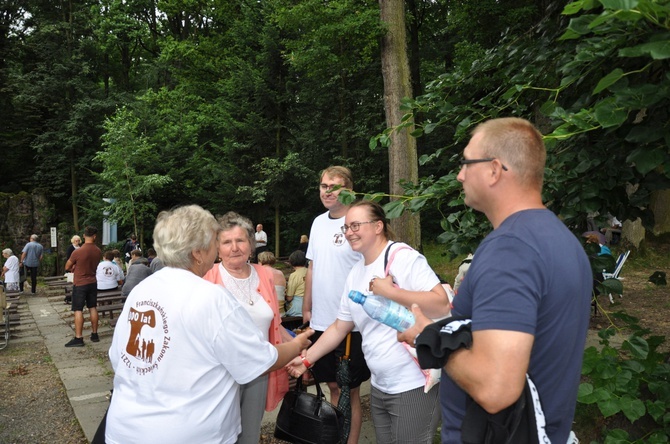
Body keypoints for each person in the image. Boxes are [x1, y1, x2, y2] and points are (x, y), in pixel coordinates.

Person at [398, 117, 592, 443]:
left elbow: (495, 389)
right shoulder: (562, 240)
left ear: (494, 170)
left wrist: (428, 336)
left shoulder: (511, 249)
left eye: (465, 162)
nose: (459, 175)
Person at [106, 205, 313, 444]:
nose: (218, 249)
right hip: (187, 433)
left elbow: (119, 358)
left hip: (125, 428)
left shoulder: (142, 290)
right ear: (197, 253)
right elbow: (258, 360)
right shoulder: (210, 297)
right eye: (215, 242)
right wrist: (297, 345)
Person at [288, 200, 451, 443]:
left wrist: (391, 292)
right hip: (380, 384)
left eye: (355, 225)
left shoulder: (403, 258)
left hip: (414, 382)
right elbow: (339, 327)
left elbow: (441, 303)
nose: (349, 233)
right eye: (346, 228)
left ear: (378, 226)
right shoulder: (356, 272)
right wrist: (305, 360)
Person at [203, 211, 295, 444]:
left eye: (240, 240)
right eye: (226, 242)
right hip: (220, 374)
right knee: (219, 435)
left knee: (249, 436)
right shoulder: (207, 278)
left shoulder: (266, 275)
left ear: (251, 244)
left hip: (258, 371)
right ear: (217, 247)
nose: (234, 247)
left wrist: (296, 349)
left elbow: (275, 324)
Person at [303, 165, 369, 444]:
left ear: (349, 190)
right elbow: (312, 268)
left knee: (348, 388)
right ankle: (335, 439)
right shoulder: (318, 222)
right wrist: (307, 308)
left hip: (350, 322)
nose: (327, 191)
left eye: (334, 186)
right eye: (323, 186)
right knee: (331, 385)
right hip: (321, 319)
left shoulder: (359, 223)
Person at [65, 226, 102, 347]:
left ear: (83, 236)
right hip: (92, 281)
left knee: (78, 309)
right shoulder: (98, 251)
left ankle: (79, 337)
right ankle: (95, 334)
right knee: (92, 307)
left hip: (80, 283)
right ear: (95, 236)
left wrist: (74, 267)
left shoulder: (78, 252)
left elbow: (67, 267)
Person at [257, 251, 287, 316]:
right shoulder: (280, 273)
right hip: (281, 312)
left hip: (266, 314)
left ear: (260, 262)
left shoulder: (258, 273)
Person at [285, 250, 307, 317]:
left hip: (298, 308)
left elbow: (289, 297)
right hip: (312, 305)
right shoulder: (311, 272)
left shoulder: (294, 275)